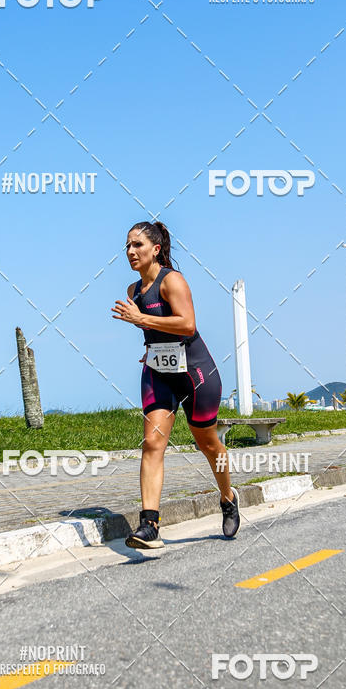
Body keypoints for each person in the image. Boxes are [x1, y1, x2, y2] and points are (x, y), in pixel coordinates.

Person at [111, 220, 240, 549]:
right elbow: (154, 331)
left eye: (137, 245)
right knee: (152, 444)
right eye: (127, 246)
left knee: (209, 446)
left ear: (155, 250)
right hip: (159, 374)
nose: (130, 252)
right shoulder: (133, 291)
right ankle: (149, 525)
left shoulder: (172, 281)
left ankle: (227, 497)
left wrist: (141, 319)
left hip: (197, 375)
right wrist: (149, 348)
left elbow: (187, 324)